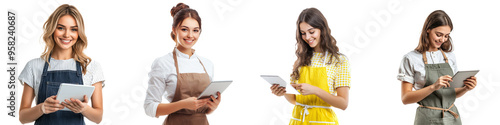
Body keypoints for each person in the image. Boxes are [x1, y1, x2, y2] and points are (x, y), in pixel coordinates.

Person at [18, 4, 105, 125]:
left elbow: (98, 117)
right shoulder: (34, 66)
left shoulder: (91, 67)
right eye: (61, 28)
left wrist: (84, 109)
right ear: (52, 29)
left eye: (73, 29)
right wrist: (42, 108)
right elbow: (23, 117)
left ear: (79, 33)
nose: (67, 35)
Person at [270, 8, 351, 125]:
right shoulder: (300, 60)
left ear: (322, 29)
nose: (307, 37)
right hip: (298, 121)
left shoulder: (339, 61)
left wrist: (314, 90)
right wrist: (283, 92)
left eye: (311, 32)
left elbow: (343, 104)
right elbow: (295, 100)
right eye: (303, 33)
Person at [144, 3, 220, 125]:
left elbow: (204, 110)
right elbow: (149, 107)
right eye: (184, 29)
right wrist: (183, 104)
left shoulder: (207, 64)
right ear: (174, 29)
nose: (190, 35)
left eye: (195, 30)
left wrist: (212, 106)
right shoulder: (163, 63)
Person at [398, 10, 477, 125]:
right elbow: (405, 98)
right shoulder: (410, 59)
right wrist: (434, 87)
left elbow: (451, 93)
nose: (443, 39)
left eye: (446, 36)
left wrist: (466, 88)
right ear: (428, 29)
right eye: (439, 35)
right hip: (427, 119)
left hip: (452, 117)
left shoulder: (450, 57)